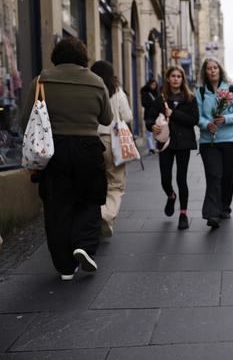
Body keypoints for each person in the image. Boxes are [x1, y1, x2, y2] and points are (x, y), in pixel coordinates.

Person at [20, 37, 112, 280]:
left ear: (56, 56)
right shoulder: (96, 82)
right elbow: (106, 118)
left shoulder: (41, 80)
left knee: (56, 205)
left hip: (54, 151)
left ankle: (65, 266)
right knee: (90, 200)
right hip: (88, 149)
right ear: (83, 57)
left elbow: (26, 120)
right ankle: (84, 244)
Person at [146, 66, 198, 230]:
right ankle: (171, 195)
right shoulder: (160, 99)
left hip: (183, 143)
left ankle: (183, 214)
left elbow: (193, 120)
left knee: (181, 179)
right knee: (165, 179)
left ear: (183, 79)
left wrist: (173, 114)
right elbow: (149, 117)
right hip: (166, 142)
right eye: (173, 76)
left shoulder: (189, 98)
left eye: (179, 76)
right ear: (168, 78)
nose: (176, 79)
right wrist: (151, 126)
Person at [196, 59, 233, 228]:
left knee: (228, 176)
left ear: (220, 70)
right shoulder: (201, 92)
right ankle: (212, 213)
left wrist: (226, 119)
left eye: (215, 67)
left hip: (231, 140)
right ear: (205, 72)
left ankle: (225, 206)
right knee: (213, 176)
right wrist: (206, 124)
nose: (212, 71)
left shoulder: (231, 89)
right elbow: (197, 115)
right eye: (209, 68)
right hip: (209, 142)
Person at [92, 60, 132, 238]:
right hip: (112, 140)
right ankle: (105, 215)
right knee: (116, 184)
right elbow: (128, 116)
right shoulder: (117, 92)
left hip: (90, 140)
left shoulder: (90, 90)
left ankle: (99, 218)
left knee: (96, 182)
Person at [140, 79, 159, 154]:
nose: (153, 86)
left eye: (155, 85)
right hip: (148, 114)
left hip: (157, 115)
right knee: (149, 132)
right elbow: (143, 103)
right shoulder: (145, 93)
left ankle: (156, 146)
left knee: (157, 131)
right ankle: (151, 148)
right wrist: (152, 105)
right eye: (152, 84)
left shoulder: (156, 93)